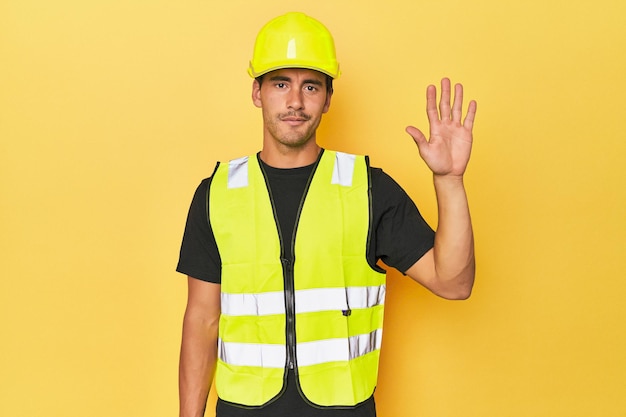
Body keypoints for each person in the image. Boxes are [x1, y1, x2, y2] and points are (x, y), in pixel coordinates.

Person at [177, 11, 476, 417]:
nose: (295, 101)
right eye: (280, 83)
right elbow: (202, 319)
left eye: (311, 86)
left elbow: (453, 282)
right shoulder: (216, 193)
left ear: (328, 98)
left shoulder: (368, 188)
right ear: (257, 92)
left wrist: (450, 180)